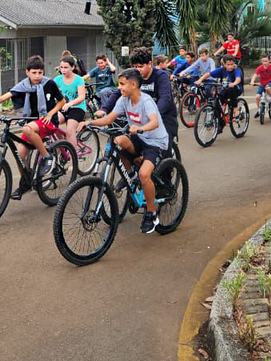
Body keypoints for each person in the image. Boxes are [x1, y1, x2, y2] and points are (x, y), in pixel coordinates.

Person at [80, 68, 169, 234]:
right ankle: (130, 174)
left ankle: (151, 213)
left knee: (145, 175)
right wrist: (89, 123)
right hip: (139, 137)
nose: (119, 87)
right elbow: (110, 118)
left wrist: (141, 128)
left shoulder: (146, 101)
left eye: (122, 84)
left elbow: (155, 122)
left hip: (155, 142)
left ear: (133, 84)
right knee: (118, 141)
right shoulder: (124, 99)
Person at [0, 55, 65, 200]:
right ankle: (26, 182)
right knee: (20, 154)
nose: (37, 76)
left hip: (48, 122)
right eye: (34, 72)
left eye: (40, 72)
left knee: (26, 129)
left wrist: (51, 113)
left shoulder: (49, 84)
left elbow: (62, 101)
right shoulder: (23, 85)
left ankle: (47, 156)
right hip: (32, 122)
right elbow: (3, 98)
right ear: (27, 72)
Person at [101, 47, 179, 153]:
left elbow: (165, 99)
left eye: (141, 66)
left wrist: (151, 117)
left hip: (164, 117)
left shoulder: (161, 76)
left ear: (150, 63)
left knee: (163, 151)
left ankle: (168, 167)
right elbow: (118, 92)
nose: (138, 69)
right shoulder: (134, 77)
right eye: (135, 66)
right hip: (141, 117)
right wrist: (104, 109)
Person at [53, 56, 87, 157]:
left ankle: (73, 159)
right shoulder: (58, 79)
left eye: (66, 67)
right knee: (52, 124)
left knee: (69, 131)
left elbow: (81, 97)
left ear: (72, 67)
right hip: (63, 108)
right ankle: (62, 146)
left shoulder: (79, 80)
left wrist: (69, 104)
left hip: (77, 108)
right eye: (61, 67)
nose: (63, 70)